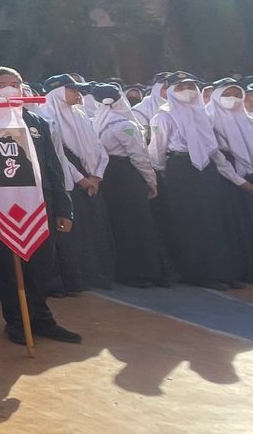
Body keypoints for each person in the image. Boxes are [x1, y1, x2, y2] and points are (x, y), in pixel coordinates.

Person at [0, 67, 81, 345]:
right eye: (2, 85)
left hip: (39, 203)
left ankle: (41, 318)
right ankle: (16, 320)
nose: (10, 89)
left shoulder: (37, 120)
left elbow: (53, 167)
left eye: (15, 84)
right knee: (7, 265)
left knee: (41, 264)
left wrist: (63, 207)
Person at [151, 74, 242, 289]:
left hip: (206, 169)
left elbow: (214, 148)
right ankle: (196, 273)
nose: (188, 90)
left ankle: (219, 272)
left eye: (191, 86)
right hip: (180, 169)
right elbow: (157, 151)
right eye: (181, 87)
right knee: (188, 222)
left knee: (212, 220)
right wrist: (163, 175)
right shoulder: (163, 116)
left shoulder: (203, 114)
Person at [83, 84, 167, 287]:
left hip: (108, 176)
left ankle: (124, 271)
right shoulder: (124, 124)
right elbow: (139, 156)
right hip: (126, 176)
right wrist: (151, 181)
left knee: (119, 224)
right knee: (137, 225)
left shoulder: (97, 121)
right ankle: (141, 272)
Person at [40, 75, 115, 292]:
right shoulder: (46, 117)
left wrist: (96, 175)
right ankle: (68, 280)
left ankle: (91, 275)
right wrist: (80, 179)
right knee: (68, 234)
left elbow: (98, 147)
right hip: (67, 182)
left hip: (91, 181)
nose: (77, 95)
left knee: (91, 230)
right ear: (57, 92)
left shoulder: (80, 115)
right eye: (72, 90)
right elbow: (55, 155)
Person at [208, 79, 253, 286]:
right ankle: (237, 273)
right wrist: (239, 182)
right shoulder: (209, 120)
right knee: (233, 227)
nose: (232, 98)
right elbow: (218, 158)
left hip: (252, 178)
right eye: (227, 94)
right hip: (227, 181)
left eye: (236, 94)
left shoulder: (250, 122)